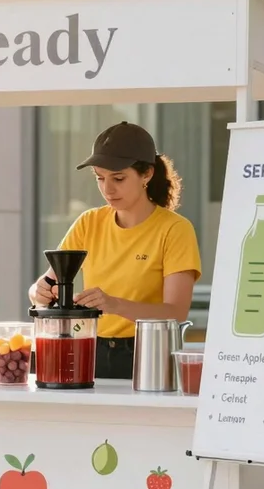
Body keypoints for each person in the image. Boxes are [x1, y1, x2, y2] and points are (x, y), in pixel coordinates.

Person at [29, 120, 201, 379]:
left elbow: (175, 313)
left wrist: (114, 304)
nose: (107, 189)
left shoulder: (175, 229)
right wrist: (38, 292)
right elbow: (43, 286)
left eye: (118, 178)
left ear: (147, 174)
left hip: (147, 354)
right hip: (88, 349)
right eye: (100, 178)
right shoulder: (89, 222)